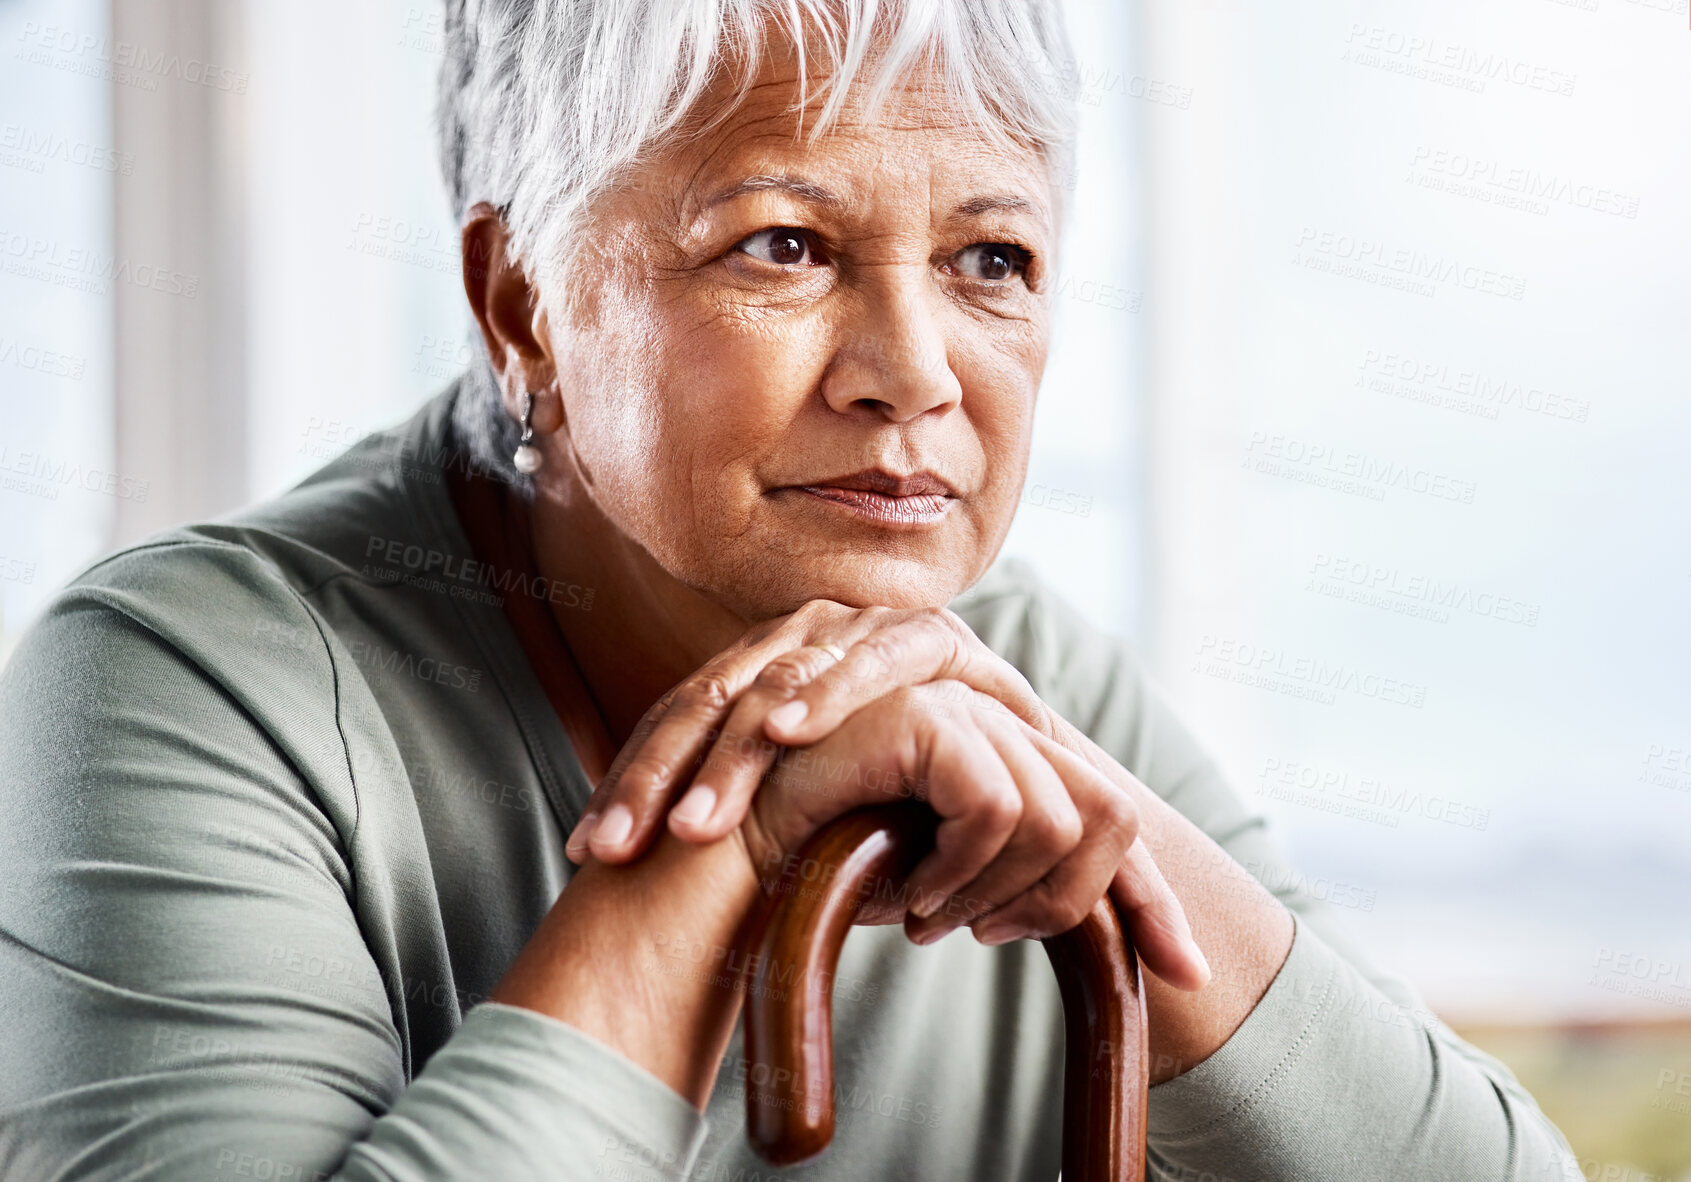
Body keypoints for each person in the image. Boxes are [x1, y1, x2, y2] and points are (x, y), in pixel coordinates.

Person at [0, 1, 1577, 1179]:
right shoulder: (177, 683)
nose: (914, 375)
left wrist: (1114, 836)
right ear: (524, 307)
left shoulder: (1018, 679)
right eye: (783, 245)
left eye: (993, 262)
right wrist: (729, 835)